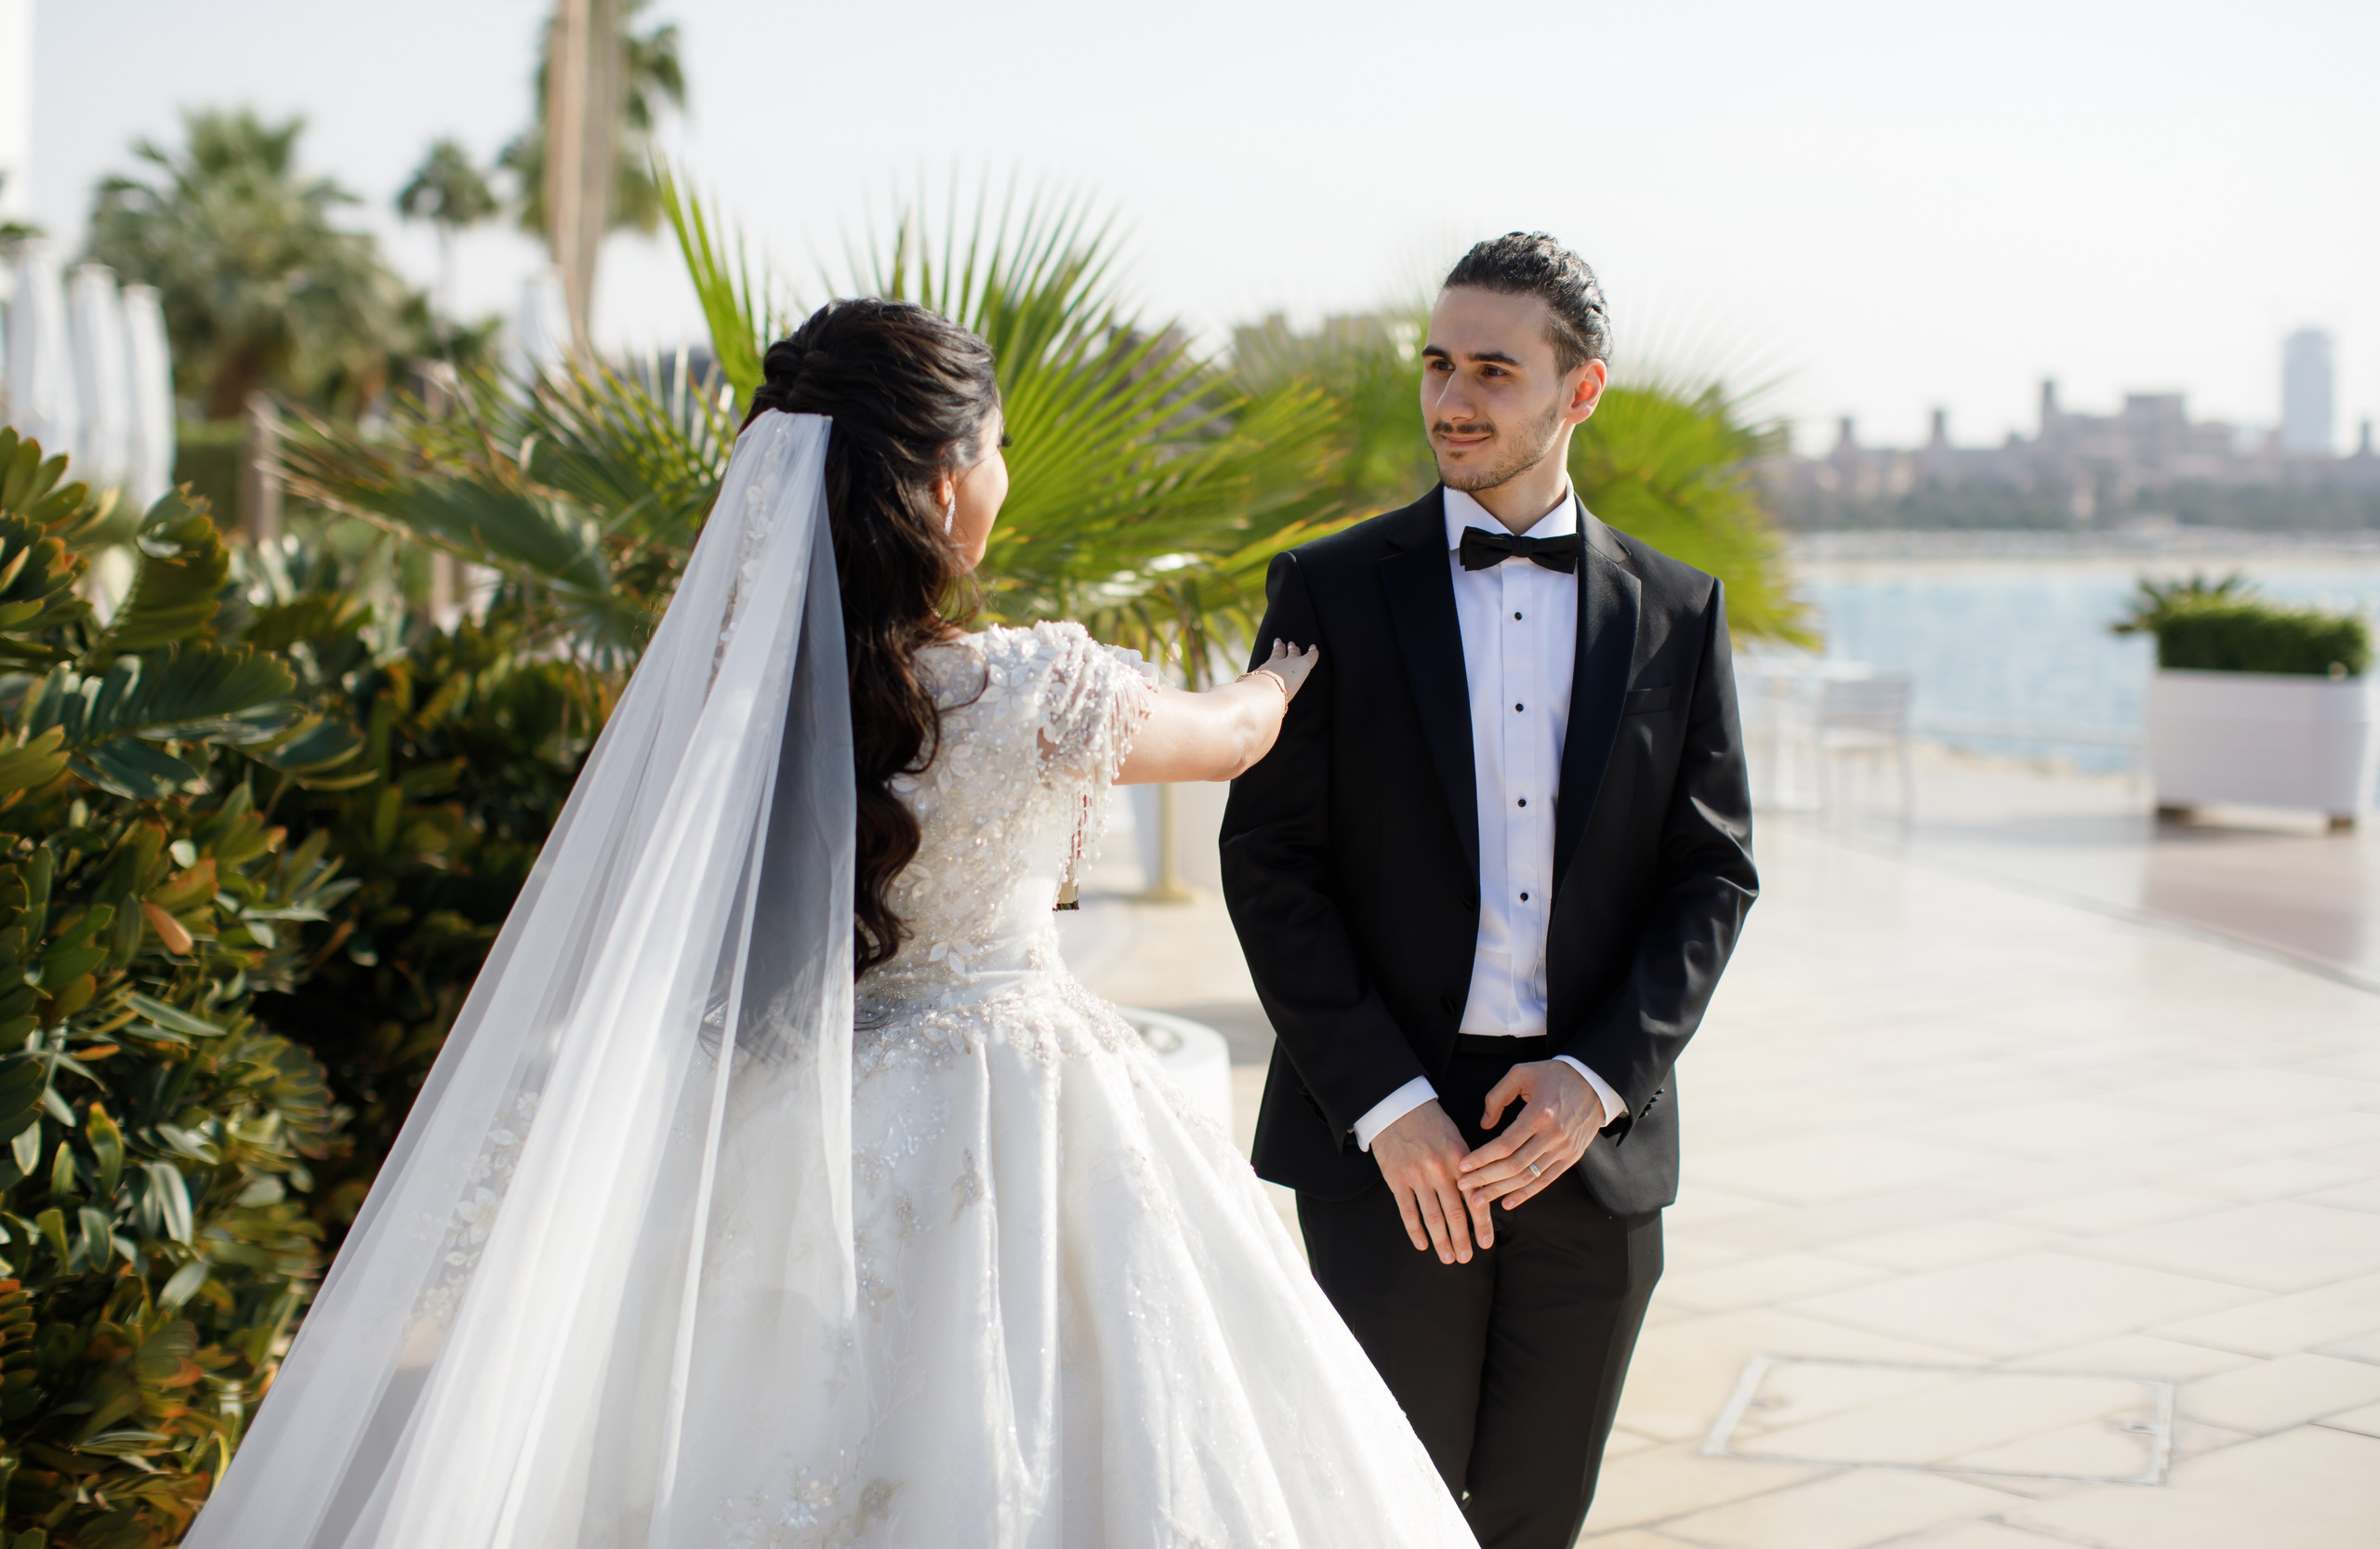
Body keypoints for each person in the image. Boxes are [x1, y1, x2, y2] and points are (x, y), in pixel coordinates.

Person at [187, 298, 1475, 1548]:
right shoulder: (1029, 683)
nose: (1004, 480)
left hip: (800, 1113)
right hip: (1021, 1105)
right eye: (997, 449)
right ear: (936, 487)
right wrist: (1287, 660)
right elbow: (1233, 739)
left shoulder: (737, 698)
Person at [1221, 232, 1758, 1549]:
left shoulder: (1679, 612)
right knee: (1381, 1511)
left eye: (1495, 371)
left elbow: (1714, 871)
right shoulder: (1328, 589)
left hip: (1590, 1143)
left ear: (1580, 392)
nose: (1453, 399)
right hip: (1393, 1139)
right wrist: (1386, 1105)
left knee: (1536, 1517)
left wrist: (1601, 1076)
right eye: (1439, 363)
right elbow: (1269, 862)